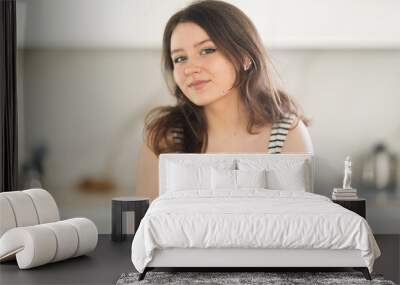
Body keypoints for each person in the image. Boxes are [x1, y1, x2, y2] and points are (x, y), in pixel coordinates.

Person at [136, 0, 313, 201]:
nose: (190, 68)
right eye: (179, 58)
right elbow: (144, 227)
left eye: (207, 50)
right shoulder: (163, 138)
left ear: (245, 57)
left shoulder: (287, 135)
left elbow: (298, 226)